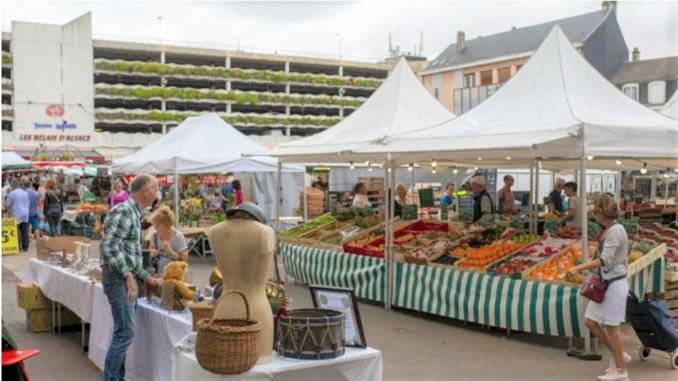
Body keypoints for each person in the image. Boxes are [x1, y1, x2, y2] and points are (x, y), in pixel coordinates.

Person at [100, 174, 162, 381]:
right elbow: (109, 247)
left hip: (121, 277)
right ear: (146, 191)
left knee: (123, 333)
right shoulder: (125, 211)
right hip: (117, 278)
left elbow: (128, 254)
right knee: (124, 333)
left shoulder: (133, 213)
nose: (158, 192)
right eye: (156, 188)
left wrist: (146, 277)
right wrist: (127, 275)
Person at [568, 195, 630, 381]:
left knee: (612, 327)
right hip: (607, 283)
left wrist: (579, 267)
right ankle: (619, 356)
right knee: (591, 321)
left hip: (614, 283)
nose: (592, 214)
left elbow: (605, 260)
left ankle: (621, 371)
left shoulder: (614, 232)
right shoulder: (610, 229)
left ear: (602, 214)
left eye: (594, 211)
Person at [147, 206, 189, 276]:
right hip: (157, 275)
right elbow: (151, 250)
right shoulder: (154, 235)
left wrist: (171, 252)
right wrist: (153, 253)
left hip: (174, 276)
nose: (154, 227)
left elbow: (184, 260)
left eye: (157, 225)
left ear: (165, 225)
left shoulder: (178, 237)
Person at [6, 179, 30, 251]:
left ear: (12, 186)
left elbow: (7, 204)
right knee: (24, 231)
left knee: (16, 232)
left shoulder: (12, 194)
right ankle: (25, 247)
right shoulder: (25, 193)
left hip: (16, 214)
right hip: (25, 214)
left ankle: (18, 247)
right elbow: (28, 203)